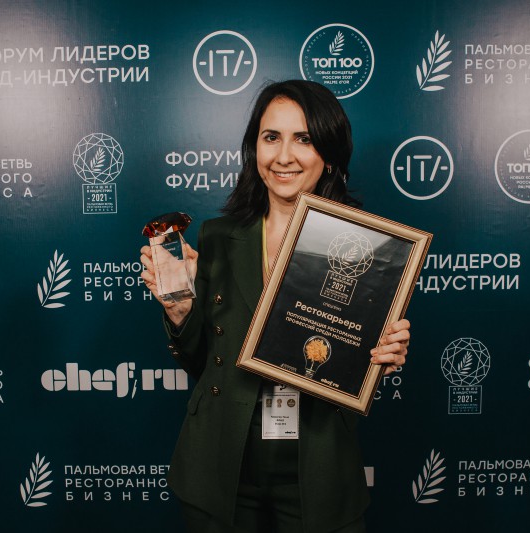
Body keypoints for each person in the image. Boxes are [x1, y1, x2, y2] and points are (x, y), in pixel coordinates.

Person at [140, 80, 410, 532]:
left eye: (303, 139)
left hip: (317, 462)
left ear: (329, 154)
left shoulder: (368, 250)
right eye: (271, 137)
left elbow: (349, 368)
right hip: (222, 461)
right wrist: (181, 310)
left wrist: (380, 357)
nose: (284, 156)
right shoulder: (217, 239)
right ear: (255, 148)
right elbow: (201, 362)